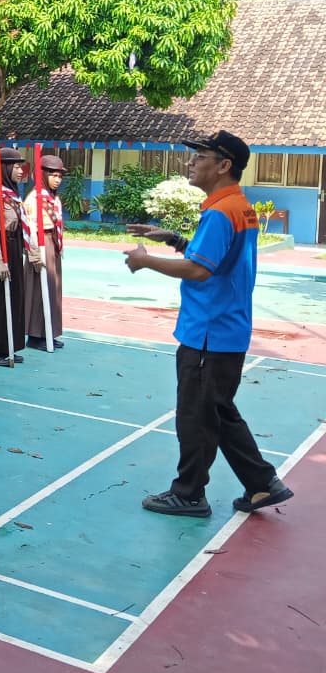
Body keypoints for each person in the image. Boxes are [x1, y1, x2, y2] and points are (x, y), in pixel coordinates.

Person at [125, 131, 294, 518]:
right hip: (225, 328)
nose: (191, 162)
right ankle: (262, 484)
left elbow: (200, 269)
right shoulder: (236, 206)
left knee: (197, 416)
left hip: (208, 331)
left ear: (223, 165)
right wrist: (176, 240)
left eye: (200, 155)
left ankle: (189, 494)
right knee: (218, 410)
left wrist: (145, 260)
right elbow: (216, 257)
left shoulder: (221, 211)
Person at [0, 147, 27, 366]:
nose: (20, 171)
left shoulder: (12, 194)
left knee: (15, 296)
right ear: (6, 168)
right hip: (0, 247)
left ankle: (9, 344)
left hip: (14, 246)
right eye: (17, 166)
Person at [23, 154, 66, 349]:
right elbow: (29, 227)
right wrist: (34, 253)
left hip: (52, 244)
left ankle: (50, 331)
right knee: (38, 291)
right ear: (43, 175)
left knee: (52, 289)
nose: (57, 180)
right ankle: (35, 335)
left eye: (60, 176)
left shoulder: (52, 197)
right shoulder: (35, 198)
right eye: (53, 175)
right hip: (40, 245)